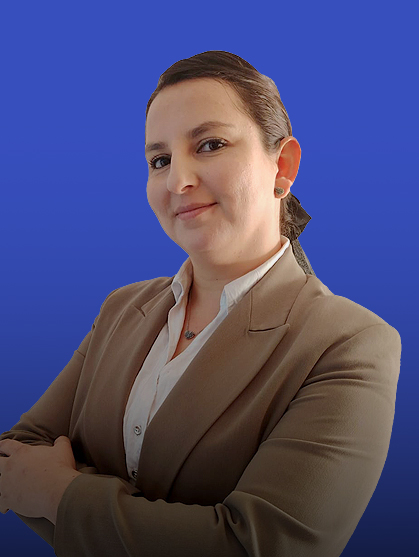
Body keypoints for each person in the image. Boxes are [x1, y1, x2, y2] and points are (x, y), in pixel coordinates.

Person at [0, 51, 401, 557]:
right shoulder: (122, 308)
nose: (177, 181)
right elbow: (16, 455)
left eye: (210, 145)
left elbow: (261, 547)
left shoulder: (349, 345)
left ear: (282, 165)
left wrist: (58, 494)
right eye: (160, 160)